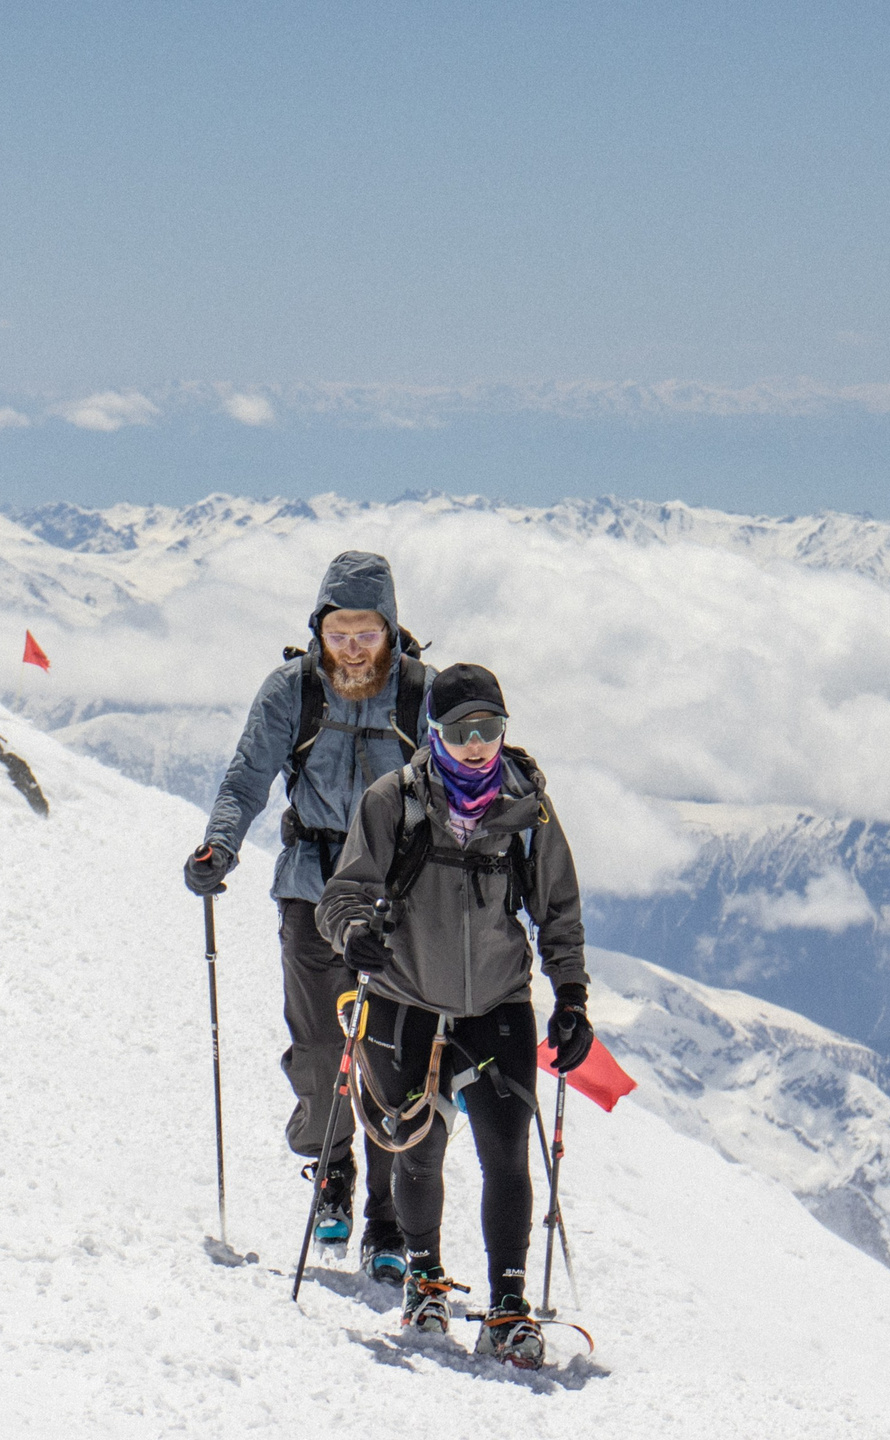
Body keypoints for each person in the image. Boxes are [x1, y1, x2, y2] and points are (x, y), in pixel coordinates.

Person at [316, 663, 594, 1368]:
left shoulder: (528, 807)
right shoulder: (395, 801)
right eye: (461, 730)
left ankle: (508, 1306)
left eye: (489, 729)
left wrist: (572, 997)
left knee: (506, 1149)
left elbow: (557, 908)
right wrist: (353, 934)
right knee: (417, 1146)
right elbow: (342, 893)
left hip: (497, 999)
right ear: (433, 733)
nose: (476, 745)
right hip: (405, 997)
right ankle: (425, 1278)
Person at [183, 550, 433, 1280]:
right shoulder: (292, 691)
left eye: (366, 633)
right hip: (311, 889)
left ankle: (386, 1220)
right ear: (319, 628)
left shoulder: (422, 695)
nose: (352, 648)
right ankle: (332, 1172)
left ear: (390, 629)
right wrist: (219, 847)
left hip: (401, 896)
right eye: (339, 633)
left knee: (392, 1060)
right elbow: (247, 775)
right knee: (323, 1051)